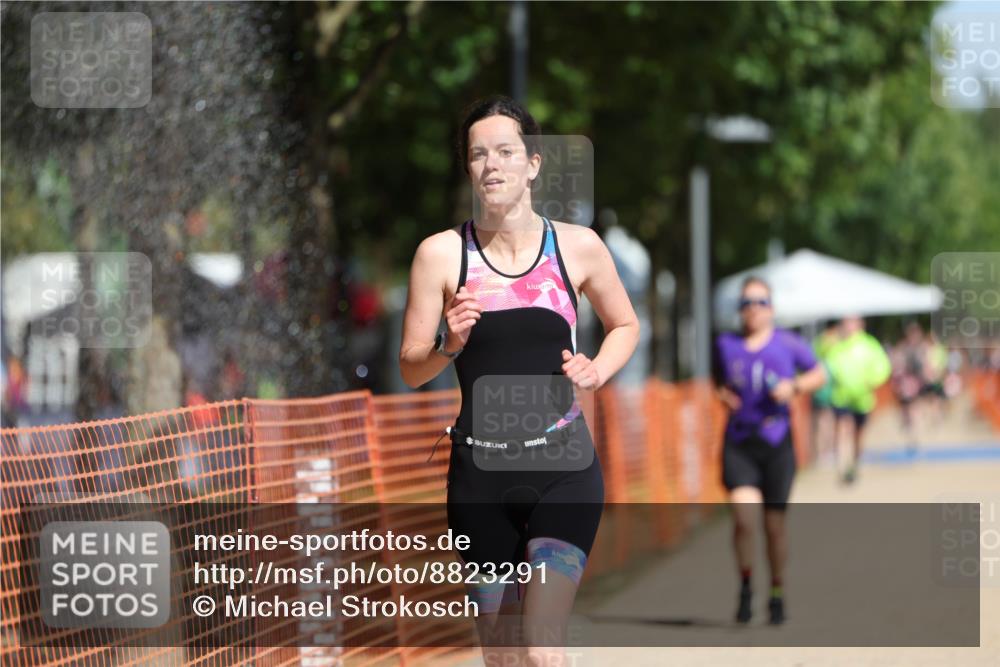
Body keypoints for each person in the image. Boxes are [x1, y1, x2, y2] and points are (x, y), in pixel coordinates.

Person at [399, 95, 639, 665]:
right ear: (468, 167)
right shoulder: (440, 255)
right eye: (479, 154)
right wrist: (447, 344)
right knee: (503, 655)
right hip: (480, 478)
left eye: (506, 151)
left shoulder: (576, 247)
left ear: (533, 163)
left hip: (564, 470)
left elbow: (625, 323)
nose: (492, 165)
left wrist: (597, 368)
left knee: (541, 646)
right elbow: (411, 366)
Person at [713, 277, 826, 626]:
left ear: (771, 308)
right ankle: (746, 587)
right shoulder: (725, 345)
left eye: (760, 301)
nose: (752, 308)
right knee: (744, 520)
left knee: (774, 527)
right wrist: (722, 395)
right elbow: (718, 382)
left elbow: (820, 374)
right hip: (740, 442)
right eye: (746, 302)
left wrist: (794, 387)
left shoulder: (788, 343)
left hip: (777, 443)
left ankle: (777, 590)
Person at [825, 316, 892, 485]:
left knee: (857, 435)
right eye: (846, 322)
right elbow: (828, 365)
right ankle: (841, 467)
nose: (848, 326)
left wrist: (872, 380)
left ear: (860, 324)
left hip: (863, 399)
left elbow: (882, 366)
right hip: (841, 397)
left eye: (852, 322)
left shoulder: (870, 345)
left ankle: (854, 465)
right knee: (841, 429)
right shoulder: (837, 345)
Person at [810, 321, 841, 464]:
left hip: (819, 388)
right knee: (827, 421)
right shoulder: (835, 341)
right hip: (829, 388)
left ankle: (820, 452)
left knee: (820, 422)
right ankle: (826, 452)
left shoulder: (818, 341)